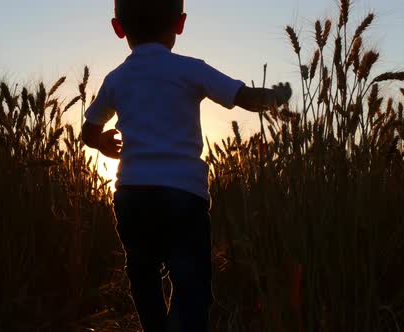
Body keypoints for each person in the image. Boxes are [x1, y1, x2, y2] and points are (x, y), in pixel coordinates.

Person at [81, 1, 292, 331]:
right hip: (183, 195)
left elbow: (88, 130)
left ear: (118, 28)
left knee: (142, 271)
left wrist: (103, 143)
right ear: (180, 23)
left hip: (132, 194)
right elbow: (244, 97)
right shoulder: (191, 69)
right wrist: (279, 96)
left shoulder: (116, 79)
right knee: (190, 281)